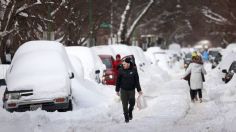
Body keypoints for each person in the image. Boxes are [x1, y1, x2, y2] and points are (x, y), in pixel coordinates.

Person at [115, 57, 143, 123]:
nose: (123, 65)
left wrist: (139, 90)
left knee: (132, 102)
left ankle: (130, 111)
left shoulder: (134, 70)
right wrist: (117, 90)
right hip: (123, 90)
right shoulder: (121, 70)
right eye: (123, 64)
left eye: (124, 64)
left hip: (131, 90)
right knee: (124, 105)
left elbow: (137, 81)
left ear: (128, 64)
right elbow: (118, 81)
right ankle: (126, 118)